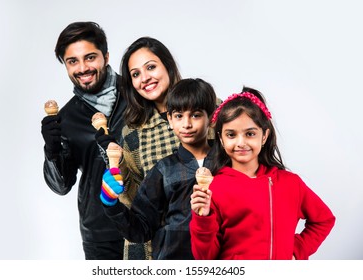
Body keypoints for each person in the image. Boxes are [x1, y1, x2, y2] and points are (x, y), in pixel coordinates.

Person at [190, 87, 336, 260]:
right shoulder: (214, 188)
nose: (241, 142)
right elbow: (205, 259)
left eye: (250, 134)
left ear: (264, 136)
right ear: (221, 138)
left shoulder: (290, 183)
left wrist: (296, 250)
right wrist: (203, 218)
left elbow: (324, 219)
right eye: (231, 135)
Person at [100, 78, 217, 259]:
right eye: (178, 116)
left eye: (195, 115)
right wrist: (111, 204)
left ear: (211, 117)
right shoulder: (164, 170)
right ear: (169, 119)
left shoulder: (226, 163)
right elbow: (141, 228)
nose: (186, 124)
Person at [40, 21, 126, 259]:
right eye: (72, 61)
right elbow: (61, 186)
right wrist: (52, 150)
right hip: (101, 233)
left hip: (150, 221)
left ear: (106, 57)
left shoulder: (136, 94)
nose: (82, 68)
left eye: (90, 58)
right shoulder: (65, 118)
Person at [117, 37, 182, 259]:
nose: (144, 78)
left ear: (168, 66)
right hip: (153, 249)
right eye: (135, 74)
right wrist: (117, 171)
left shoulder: (209, 111)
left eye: (151, 67)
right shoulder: (132, 133)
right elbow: (133, 201)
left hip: (208, 241)